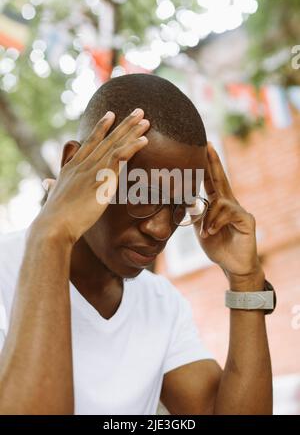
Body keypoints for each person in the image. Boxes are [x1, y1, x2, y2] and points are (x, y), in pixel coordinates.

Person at [0, 74, 272, 415]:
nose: (160, 229)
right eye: (141, 195)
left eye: (180, 206)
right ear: (74, 163)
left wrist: (246, 280)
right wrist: (50, 233)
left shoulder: (161, 305)